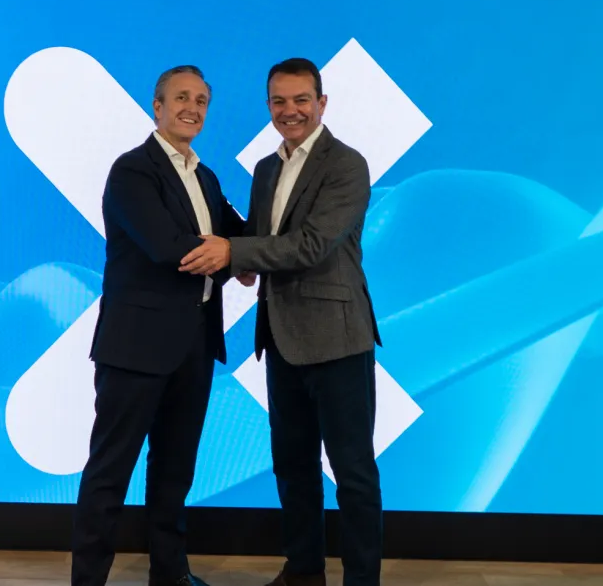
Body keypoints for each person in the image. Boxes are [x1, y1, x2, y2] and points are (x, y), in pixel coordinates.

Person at [179, 58, 383, 586]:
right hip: (280, 339)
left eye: (300, 100)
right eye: (279, 101)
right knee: (292, 465)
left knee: (353, 472)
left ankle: (362, 580)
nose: (290, 111)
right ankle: (304, 571)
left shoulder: (347, 164)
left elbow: (312, 245)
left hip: (338, 339)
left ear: (322, 103)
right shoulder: (267, 169)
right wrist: (238, 255)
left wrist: (235, 252)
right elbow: (263, 238)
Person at [72, 64, 246, 586]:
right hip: (135, 348)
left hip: (195, 346)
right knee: (110, 473)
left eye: (201, 100)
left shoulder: (206, 177)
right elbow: (168, 248)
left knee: (175, 473)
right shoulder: (132, 171)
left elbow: (239, 236)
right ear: (158, 107)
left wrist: (251, 249)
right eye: (181, 98)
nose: (192, 108)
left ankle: (170, 576)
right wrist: (232, 255)